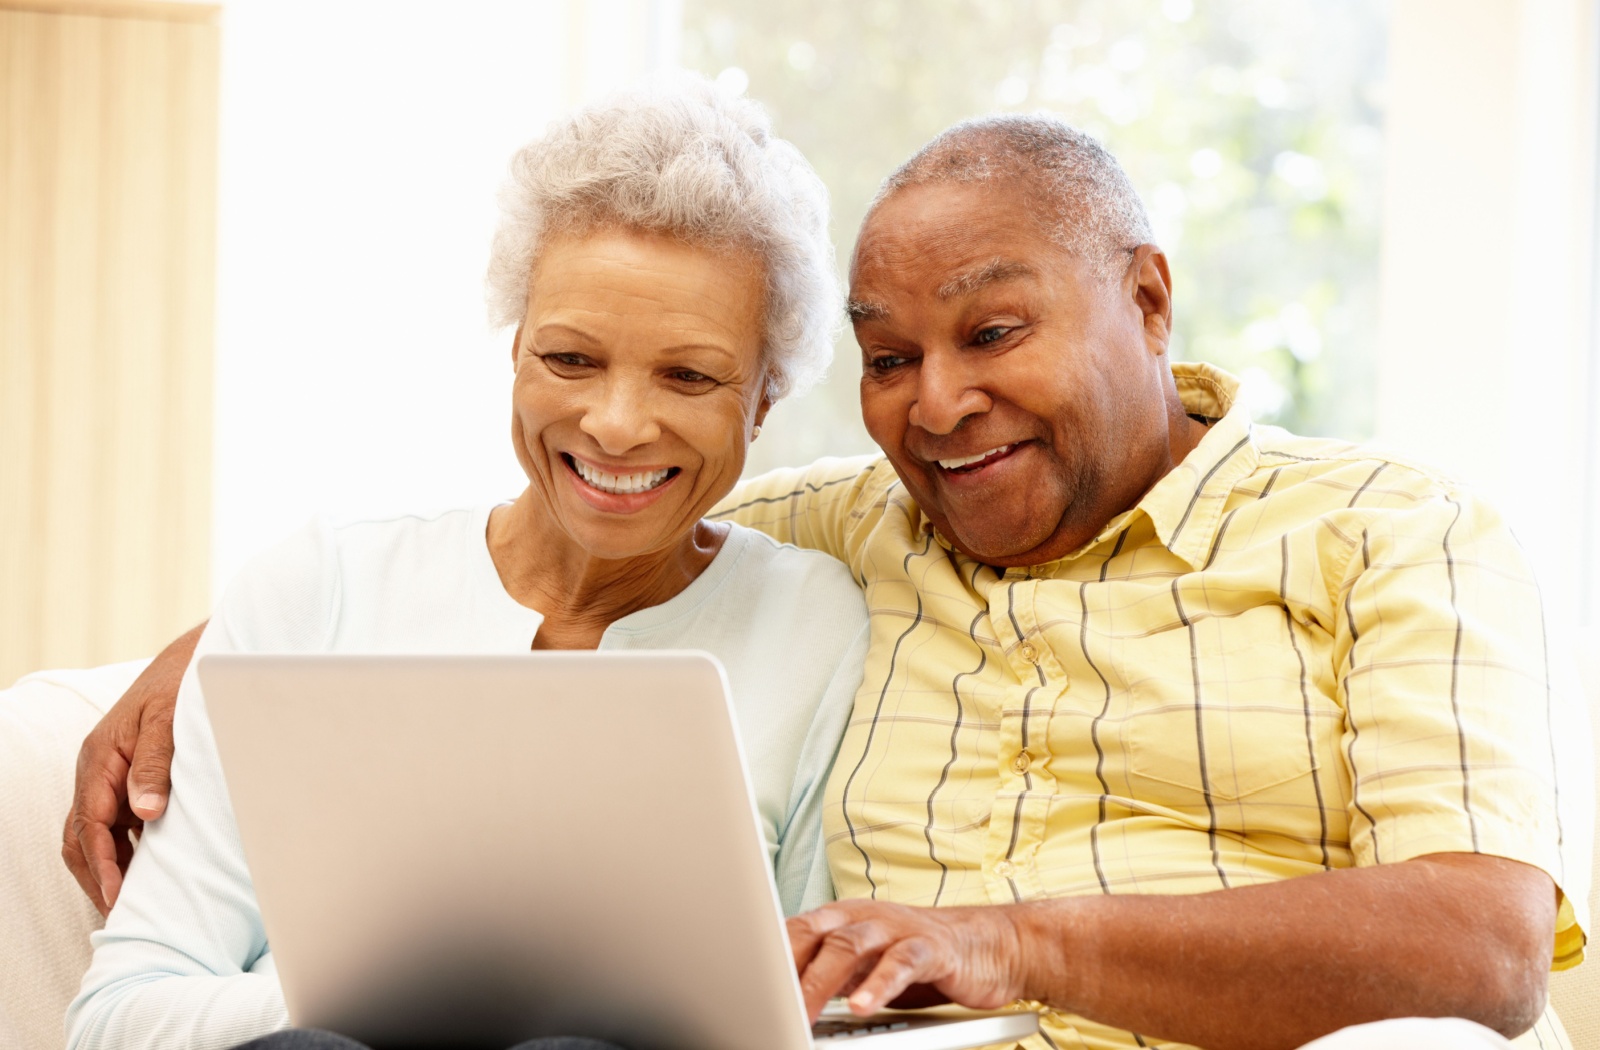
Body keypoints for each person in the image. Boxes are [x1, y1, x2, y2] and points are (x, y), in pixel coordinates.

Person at [66, 115, 1592, 1050]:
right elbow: (602, 514)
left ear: (1146, 297)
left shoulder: (1390, 530)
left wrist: (1013, 941)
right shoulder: (858, 525)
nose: (938, 404)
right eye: (888, 358)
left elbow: (1485, 946)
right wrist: (217, 652)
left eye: (994, 333)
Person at [62, 78, 869, 1050]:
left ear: (765, 398)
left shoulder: (817, 628)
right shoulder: (319, 588)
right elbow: (118, 1017)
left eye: (688, 375)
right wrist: (401, 998)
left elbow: (802, 1021)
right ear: (516, 352)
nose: (616, 425)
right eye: (569, 359)